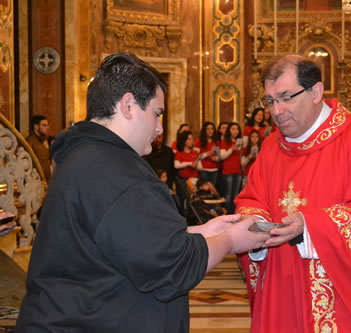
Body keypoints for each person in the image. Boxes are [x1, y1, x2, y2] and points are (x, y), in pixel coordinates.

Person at [16, 52, 269, 333]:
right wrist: (231, 241)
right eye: (157, 113)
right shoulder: (116, 171)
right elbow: (174, 268)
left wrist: (204, 231)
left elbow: (131, 242)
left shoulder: (86, 156)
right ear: (128, 105)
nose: (160, 128)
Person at [235, 54, 351, 332]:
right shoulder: (271, 147)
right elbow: (252, 198)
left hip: (340, 299)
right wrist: (254, 225)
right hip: (280, 287)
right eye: (270, 101)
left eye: (286, 97)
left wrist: (309, 226)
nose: (276, 110)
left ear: (316, 92)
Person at [220, 122, 243, 214]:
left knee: (236, 195)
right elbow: (222, 156)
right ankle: (227, 215)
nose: (235, 131)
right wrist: (231, 149)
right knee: (228, 195)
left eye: (237, 129)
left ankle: (234, 215)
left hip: (238, 171)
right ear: (229, 130)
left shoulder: (240, 142)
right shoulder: (225, 141)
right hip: (228, 171)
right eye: (233, 129)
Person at [25, 115, 52, 182]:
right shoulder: (29, 141)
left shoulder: (45, 140)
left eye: (47, 125)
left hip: (46, 180)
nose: (47, 127)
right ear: (36, 127)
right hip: (35, 181)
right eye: (44, 125)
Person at [195, 121, 218, 185]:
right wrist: (206, 154)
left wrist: (216, 158)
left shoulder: (216, 141)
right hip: (204, 169)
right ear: (204, 130)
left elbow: (219, 155)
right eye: (208, 129)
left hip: (214, 169)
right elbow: (195, 156)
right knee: (204, 188)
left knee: (212, 188)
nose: (210, 131)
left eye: (212, 129)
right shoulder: (198, 141)